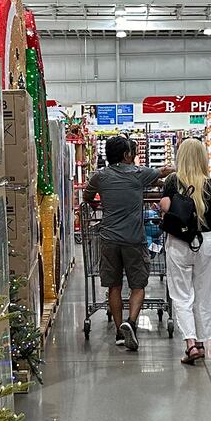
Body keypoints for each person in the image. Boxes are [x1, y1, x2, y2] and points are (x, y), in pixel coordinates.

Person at [83, 136, 168, 351]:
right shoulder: (139, 174)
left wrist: (96, 202)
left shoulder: (100, 176)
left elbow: (87, 196)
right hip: (133, 239)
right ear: (126, 154)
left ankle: (120, 333)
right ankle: (130, 322)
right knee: (138, 284)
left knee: (114, 285)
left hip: (109, 238)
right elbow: (164, 172)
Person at [158, 138, 211, 365]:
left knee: (181, 294)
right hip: (205, 242)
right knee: (203, 294)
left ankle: (190, 342)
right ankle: (202, 343)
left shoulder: (172, 181)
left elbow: (165, 206)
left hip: (179, 241)